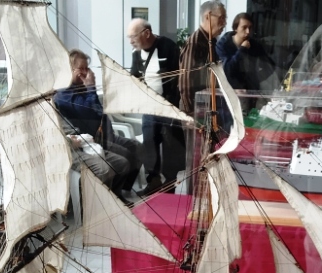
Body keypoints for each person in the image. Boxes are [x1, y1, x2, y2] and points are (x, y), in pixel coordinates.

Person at [54, 49, 142, 203]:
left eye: (86, 68)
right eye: (81, 68)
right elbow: (88, 112)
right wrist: (91, 88)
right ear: (69, 69)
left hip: (104, 134)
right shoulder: (63, 93)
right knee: (125, 157)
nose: (85, 72)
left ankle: (120, 192)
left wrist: (90, 90)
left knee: (137, 148)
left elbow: (98, 112)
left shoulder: (82, 88)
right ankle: (111, 198)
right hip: (89, 140)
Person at [127, 18, 185, 196]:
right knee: (149, 144)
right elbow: (134, 76)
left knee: (170, 146)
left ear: (147, 33)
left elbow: (180, 77)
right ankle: (153, 182)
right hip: (149, 107)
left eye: (133, 37)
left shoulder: (168, 47)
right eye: (129, 37)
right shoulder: (136, 53)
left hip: (168, 107)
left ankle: (170, 186)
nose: (130, 41)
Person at [179, 1, 227, 117]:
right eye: (221, 18)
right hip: (194, 111)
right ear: (207, 17)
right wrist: (190, 114)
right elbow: (186, 81)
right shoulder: (195, 43)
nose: (224, 23)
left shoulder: (211, 41)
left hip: (206, 107)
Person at [216, 13, 277, 92]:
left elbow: (270, 66)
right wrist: (242, 50)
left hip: (250, 91)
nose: (248, 32)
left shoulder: (255, 45)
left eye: (250, 28)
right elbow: (227, 70)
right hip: (231, 91)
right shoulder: (223, 44)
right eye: (244, 27)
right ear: (235, 28)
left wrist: (255, 79)